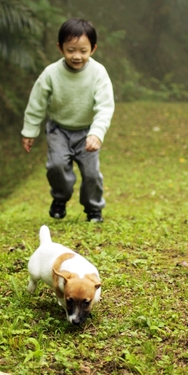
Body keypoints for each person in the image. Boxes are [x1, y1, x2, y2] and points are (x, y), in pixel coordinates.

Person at [21, 18, 114, 223]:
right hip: (59, 130)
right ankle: (60, 199)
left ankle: (93, 210)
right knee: (55, 166)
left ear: (93, 49)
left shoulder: (98, 73)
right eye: (71, 50)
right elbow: (37, 102)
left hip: (88, 132)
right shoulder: (51, 74)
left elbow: (105, 106)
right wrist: (30, 131)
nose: (77, 56)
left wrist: (97, 133)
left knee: (91, 174)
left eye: (83, 50)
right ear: (60, 48)